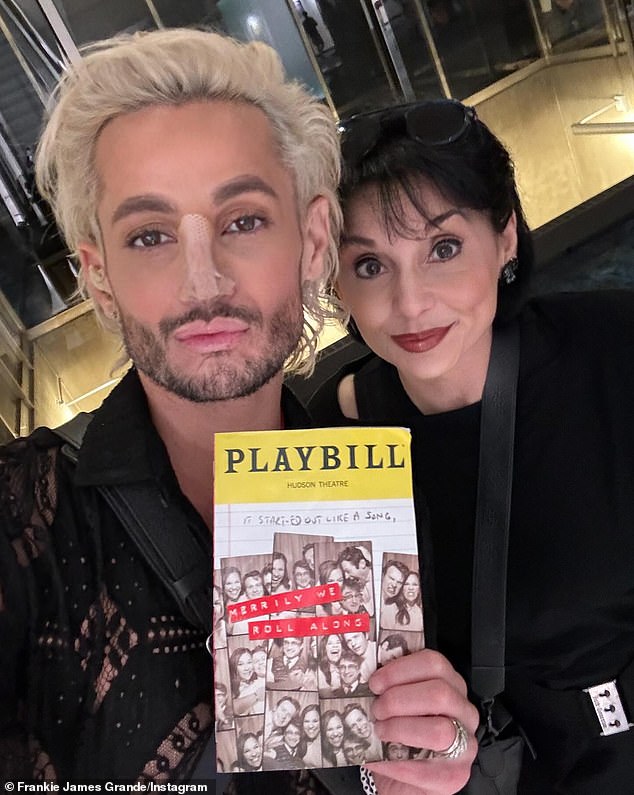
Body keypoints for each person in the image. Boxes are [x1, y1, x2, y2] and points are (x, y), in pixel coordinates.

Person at [0, 28, 477, 794]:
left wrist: (435, 765)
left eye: (244, 220)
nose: (203, 280)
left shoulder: (400, 501)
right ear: (100, 277)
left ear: (313, 238)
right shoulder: (19, 518)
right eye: (149, 235)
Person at [307, 97, 634, 791]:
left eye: (443, 248)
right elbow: (337, 699)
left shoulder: (615, 349)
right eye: (369, 265)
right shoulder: (328, 447)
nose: (411, 301)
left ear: (507, 238)